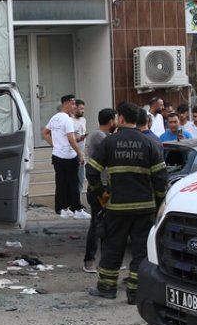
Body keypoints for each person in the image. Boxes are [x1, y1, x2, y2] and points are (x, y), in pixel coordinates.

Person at [85, 102, 168, 304]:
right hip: (144, 208)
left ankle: (107, 288)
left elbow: (92, 171)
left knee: (113, 247)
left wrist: (101, 194)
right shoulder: (150, 143)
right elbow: (161, 178)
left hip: (117, 208)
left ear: (120, 119)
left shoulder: (109, 142)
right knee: (141, 251)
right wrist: (158, 202)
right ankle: (135, 293)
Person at [42, 94, 88, 219]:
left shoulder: (55, 118)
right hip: (68, 156)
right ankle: (77, 210)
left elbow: (45, 132)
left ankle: (64, 209)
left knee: (61, 183)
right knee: (73, 182)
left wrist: (55, 145)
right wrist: (80, 154)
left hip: (57, 156)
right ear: (65, 103)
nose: (74, 106)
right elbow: (71, 138)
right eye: (72, 104)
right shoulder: (67, 119)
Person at [81, 107, 116, 273]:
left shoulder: (105, 136)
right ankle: (89, 259)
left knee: (108, 224)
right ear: (111, 121)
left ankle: (106, 260)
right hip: (98, 187)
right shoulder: (99, 136)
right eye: (115, 120)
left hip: (105, 184)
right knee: (96, 223)